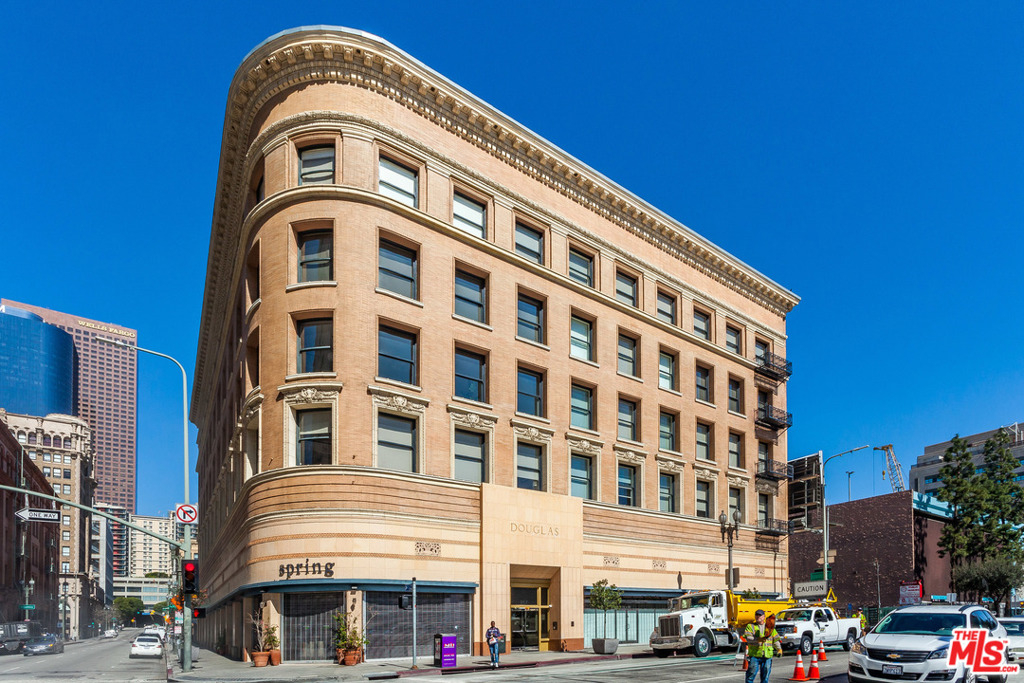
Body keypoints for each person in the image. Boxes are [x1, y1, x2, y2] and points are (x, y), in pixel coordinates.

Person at [744, 609, 782, 683]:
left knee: (765, 675)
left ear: (764, 617)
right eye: (757, 615)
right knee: (751, 674)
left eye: (760, 615)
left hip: (767, 655)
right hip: (755, 654)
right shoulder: (751, 626)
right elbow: (748, 638)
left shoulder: (770, 627)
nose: (758, 616)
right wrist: (758, 639)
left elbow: (775, 640)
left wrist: (779, 649)